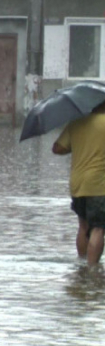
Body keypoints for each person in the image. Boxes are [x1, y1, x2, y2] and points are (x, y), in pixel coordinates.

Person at [52, 102, 105, 266]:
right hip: (98, 184)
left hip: (77, 184)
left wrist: (79, 145)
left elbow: (57, 148)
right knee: (99, 228)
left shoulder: (76, 122)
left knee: (83, 226)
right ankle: (92, 270)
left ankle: (81, 266)